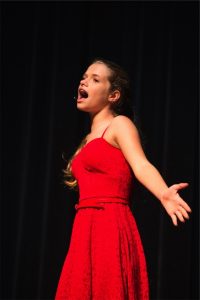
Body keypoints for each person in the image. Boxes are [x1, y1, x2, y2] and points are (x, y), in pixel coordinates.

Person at [55, 58, 192, 300]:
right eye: (85, 77)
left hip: (109, 224)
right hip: (84, 228)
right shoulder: (87, 140)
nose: (84, 81)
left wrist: (163, 193)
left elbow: (141, 164)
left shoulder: (119, 125)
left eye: (95, 79)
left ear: (113, 95)